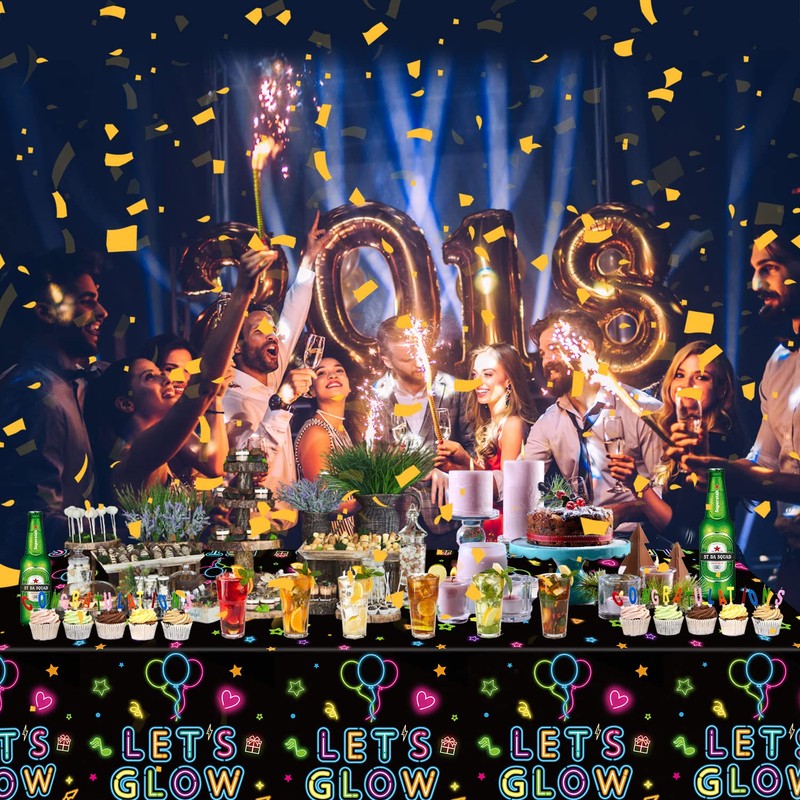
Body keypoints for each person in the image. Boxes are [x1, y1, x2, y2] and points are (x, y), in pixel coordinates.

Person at [86, 248, 277, 498]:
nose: (169, 379)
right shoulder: (134, 455)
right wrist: (242, 293)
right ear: (125, 403)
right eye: (151, 376)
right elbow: (204, 383)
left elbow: (214, 465)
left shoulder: (161, 446)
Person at [685, 213, 800, 606]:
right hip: (794, 558)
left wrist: (735, 476)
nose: (755, 284)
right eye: (754, 271)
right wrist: (714, 468)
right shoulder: (778, 363)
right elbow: (765, 461)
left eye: (769, 268)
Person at [0, 250, 108, 564]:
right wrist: (127, 533)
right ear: (46, 313)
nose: (102, 312)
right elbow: (29, 522)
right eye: (87, 301)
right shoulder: (34, 393)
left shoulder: (71, 383)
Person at [523, 309, 663, 531]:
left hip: (635, 538)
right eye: (542, 353)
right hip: (579, 536)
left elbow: (664, 494)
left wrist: (625, 510)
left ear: (587, 347)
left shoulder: (643, 410)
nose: (547, 361)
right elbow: (522, 480)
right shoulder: (548, 422)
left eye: (554, 349)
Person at [222, 214, 326, 499]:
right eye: (259, 331)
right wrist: (281, 401)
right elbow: (252, 462)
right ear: (238, 347)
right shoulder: (229, 397)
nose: (273, 336)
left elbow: (294, 313)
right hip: (258, 521)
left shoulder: (272, 377)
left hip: (288, 518)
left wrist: (308, 261)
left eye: (273, 330)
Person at [607, 340, 748, 548]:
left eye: (701, 377)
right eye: (679, 375)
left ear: (722, 389)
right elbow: (678, 508)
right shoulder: (688, 440)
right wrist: (627, 510)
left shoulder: (716, 448)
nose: (685, 385)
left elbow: (688, 537)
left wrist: (636, 483)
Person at [372, 316, 473, 547]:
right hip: (392, 524)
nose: (419, 362)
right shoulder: (375, 397)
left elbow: (476, 454)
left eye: (421, 353)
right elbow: (369, 464)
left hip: (447, 521)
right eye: (407, 359)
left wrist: (451, 474)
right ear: (387, 361)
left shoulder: (455, 389)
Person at [434, 343, 536, 541]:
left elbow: (508, 488)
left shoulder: (512, 424)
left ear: (508, 379)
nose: (478, 382)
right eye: (475, 374)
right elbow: (483, 479)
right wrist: (457, 467)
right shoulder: (490, 423)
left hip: (505, 528)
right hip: (486, 522)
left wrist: (466, 460)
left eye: (488, 374)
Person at [138, 333, 229, 484]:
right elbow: (217, 467)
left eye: (188, 370)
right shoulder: (160, 421)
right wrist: (215, 398)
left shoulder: (189, 416)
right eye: (170, 369)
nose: (182, 378)